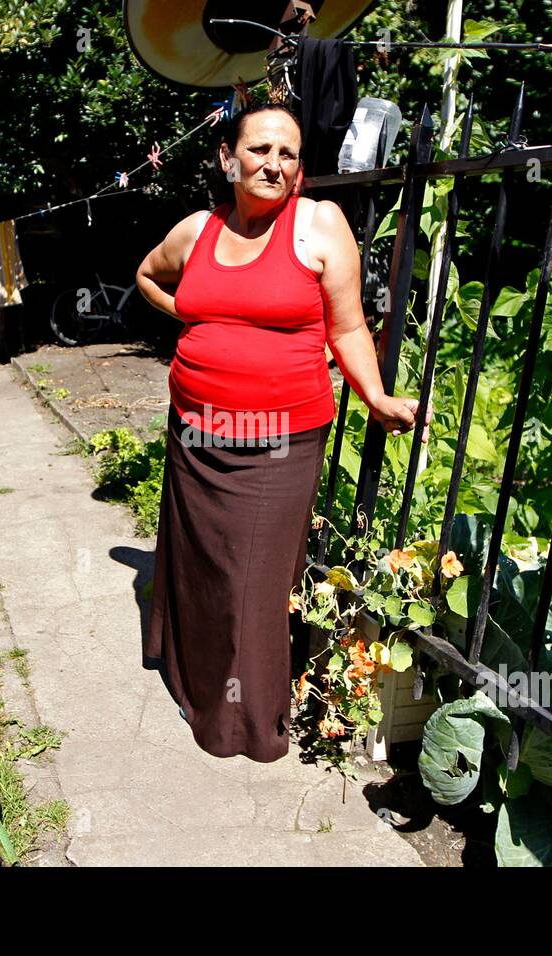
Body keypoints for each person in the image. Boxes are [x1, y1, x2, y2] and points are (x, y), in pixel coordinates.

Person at [135, 103, 423, 763]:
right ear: (228, 159)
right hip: (195, 435)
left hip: (278, 444)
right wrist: (194, 316)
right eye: (260, 149)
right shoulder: (197, 231)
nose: (274, 164)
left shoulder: (318, 224)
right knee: (201, 569)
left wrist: (376, 397)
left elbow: (347, 326)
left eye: (288, 153)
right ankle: (191, 680)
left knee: (251, 587)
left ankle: (244, 724)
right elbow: (147, 275)